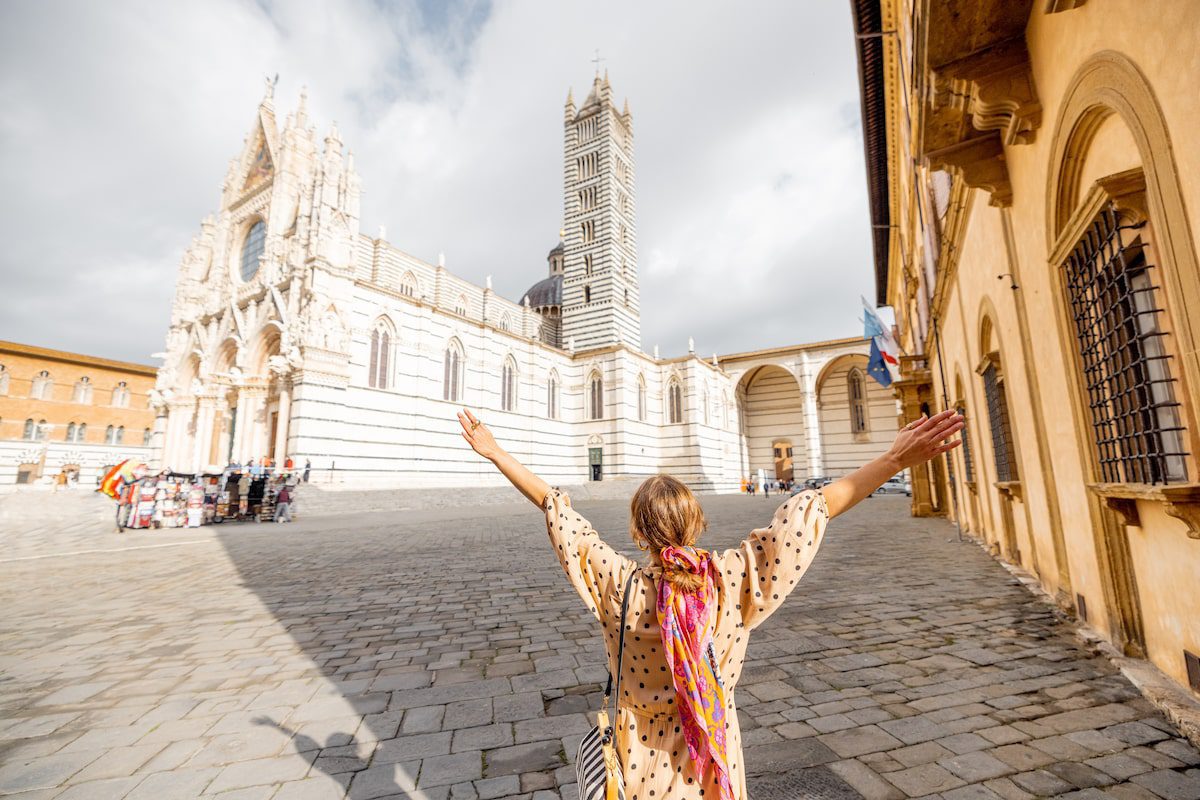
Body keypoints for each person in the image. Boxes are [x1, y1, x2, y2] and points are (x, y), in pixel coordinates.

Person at [457, 407, 962, 800]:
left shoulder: (619, 585)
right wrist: (895, 459)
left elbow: (559, 512)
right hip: (713, 755)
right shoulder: (730, 580)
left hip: (638, 759)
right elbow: (814, 510)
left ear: (637, 532)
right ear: (697, 525)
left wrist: (496, 452)